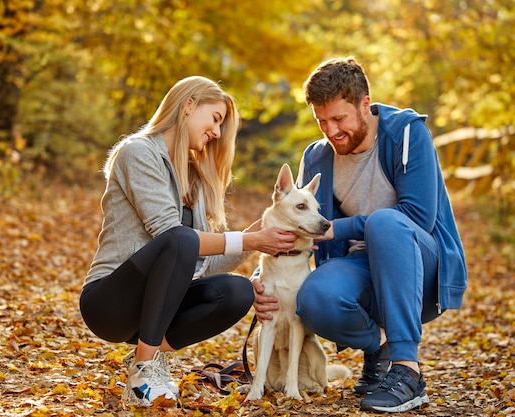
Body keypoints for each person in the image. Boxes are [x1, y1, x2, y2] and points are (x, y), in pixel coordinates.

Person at [251, 57, 467, 413]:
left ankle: (407, 370)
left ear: (365, 104)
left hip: (419, 266)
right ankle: (378, 345)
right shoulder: (318, 157)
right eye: (322, 122)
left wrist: (340, 227)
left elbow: (418, 215)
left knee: (385, 223)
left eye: (339, 119)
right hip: (357, 266)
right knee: (313, 297)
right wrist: (264, 279)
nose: (331, 131)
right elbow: (295, 223)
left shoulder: (407, 133)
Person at [79, 76, 298, 407]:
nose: (217, 133)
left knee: (238, 291)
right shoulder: (137, 152)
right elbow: (171, 236)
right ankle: (144, 370)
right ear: (189, 104)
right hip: (110, 302)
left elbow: (201, 264)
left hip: (158, 305)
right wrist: (250, 237)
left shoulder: (191, 178)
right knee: (180, 237)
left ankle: (148, 356)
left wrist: (259, 237)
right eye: (216, 119)